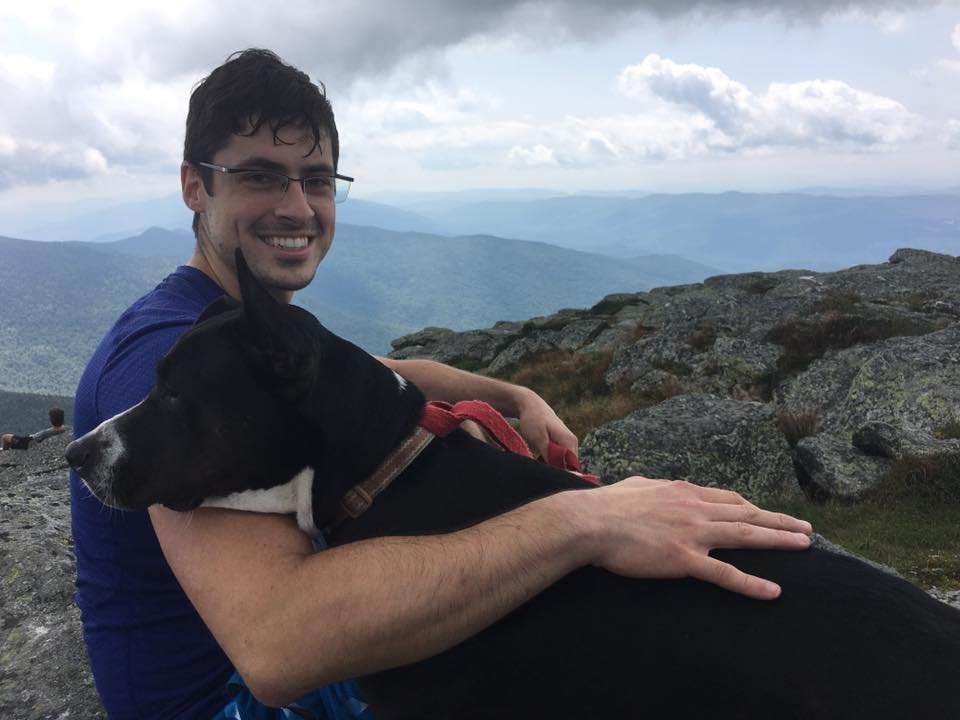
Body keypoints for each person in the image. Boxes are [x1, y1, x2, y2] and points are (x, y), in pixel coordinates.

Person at [69, 49, 813, 720]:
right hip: (233, 702)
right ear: (195, 186)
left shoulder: (232, 328)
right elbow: (277, 647)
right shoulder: (168, 360)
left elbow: (368, 372)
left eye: (318, 180)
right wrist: (588, 520)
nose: (297, 207)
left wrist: (509, 397)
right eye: (260, 176)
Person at [2, 407, 68, 450]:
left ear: (51, 419)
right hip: (30, 440)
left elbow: (35, 440)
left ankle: (4, 454)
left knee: (5, 437)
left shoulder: (47, 432)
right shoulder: (65, 429)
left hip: (27, 442)